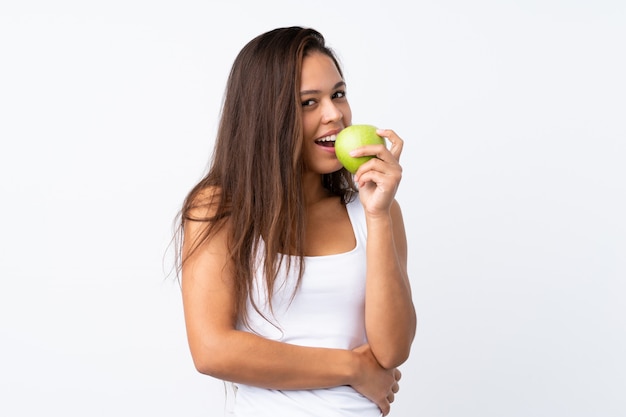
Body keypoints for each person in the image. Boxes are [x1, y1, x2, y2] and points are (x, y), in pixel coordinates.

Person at [176, 26, 416, 417]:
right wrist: (353, 367)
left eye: (338, 94)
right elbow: (212, 349)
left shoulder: (371, 212)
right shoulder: (219, 208)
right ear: (267, 115)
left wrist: (378, 215)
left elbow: (392, 349)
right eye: (309, 102)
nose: (334, 114)